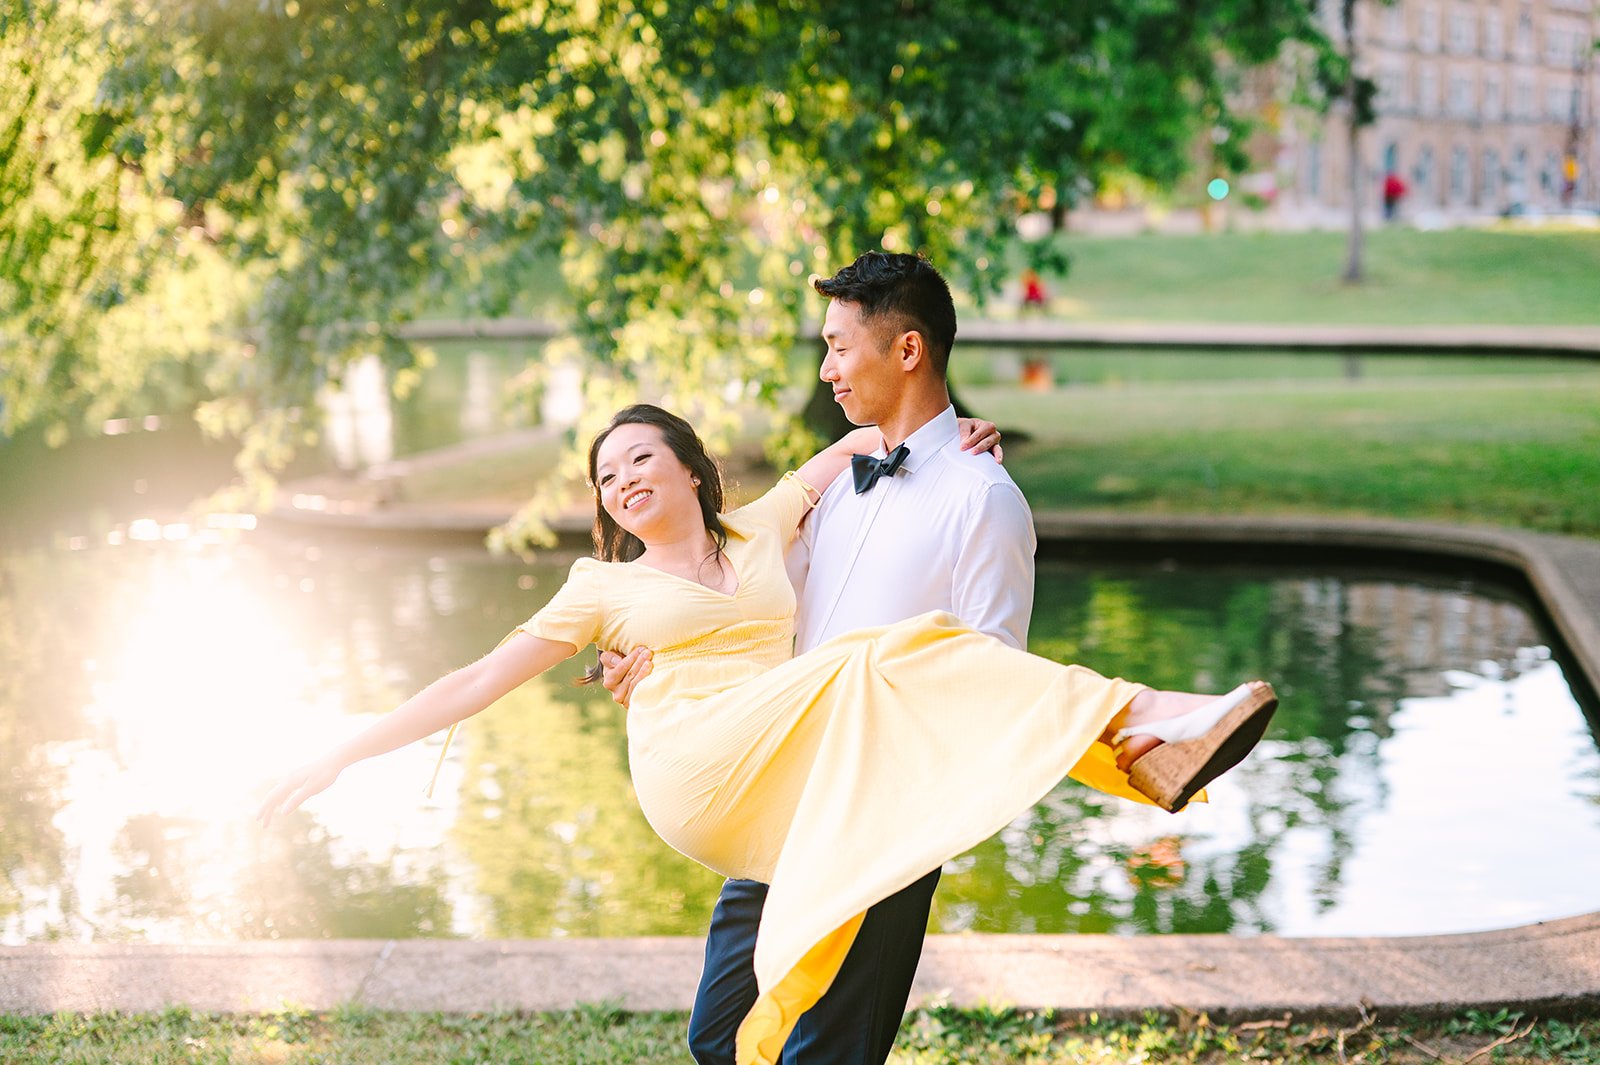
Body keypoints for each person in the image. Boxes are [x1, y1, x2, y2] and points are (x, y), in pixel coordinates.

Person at [258, 259, 1278, 1065]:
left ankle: (1161, 733)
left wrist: (952, 437)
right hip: (754, 778)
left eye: (839, 346)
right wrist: (348, 748)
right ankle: (1150, 730)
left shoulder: (946, 498)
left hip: (877, 796)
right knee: (727, 1029)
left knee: (798, 1041)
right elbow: (477, 677)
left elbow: (990, 673)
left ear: (692, 470)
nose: (826, 368)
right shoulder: (766, 522)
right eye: (604, 474)